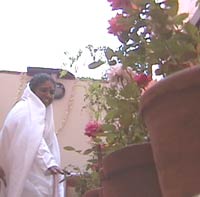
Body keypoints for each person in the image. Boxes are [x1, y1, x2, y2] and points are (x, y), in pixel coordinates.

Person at [0, 73, 64, 197]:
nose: (48, 95)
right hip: (26, 174)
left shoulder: (40, 113)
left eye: (51, 92)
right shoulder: (24, 110)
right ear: (32, 90)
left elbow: (48, 142)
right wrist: (49, 163)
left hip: (38, 173)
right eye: (43, 90)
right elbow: (33, 139)